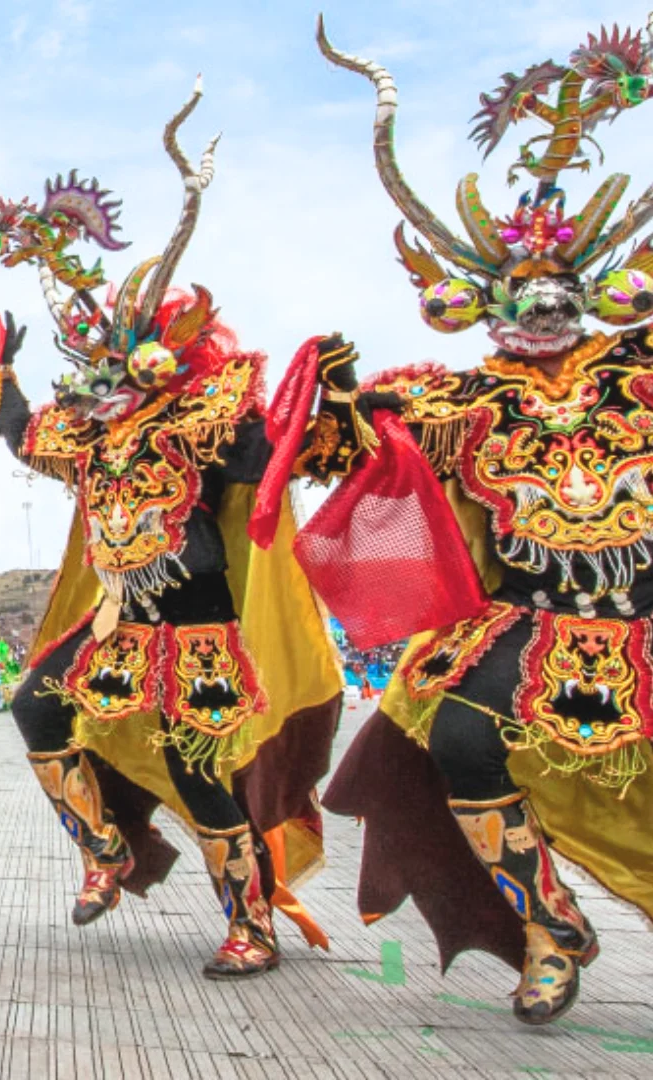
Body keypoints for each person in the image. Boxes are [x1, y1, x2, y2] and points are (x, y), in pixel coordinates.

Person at [0, 81, 342, 979]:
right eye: (94, 365)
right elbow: (26, 437)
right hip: (117, 627)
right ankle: (104, 848)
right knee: (34, 705)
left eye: (122, 363)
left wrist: (314, 396)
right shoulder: (90, 442)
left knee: (199, 773)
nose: (104, 380)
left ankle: (251, 924)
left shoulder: (205, 426)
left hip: (201, 631)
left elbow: (272, 459)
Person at [284, 18, 653, 1026]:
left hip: (643, 618)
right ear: (482, 300)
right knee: (461, 739)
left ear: (594, 291)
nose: (543, 302)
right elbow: (344, 457)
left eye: (560, 288)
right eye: (521, 290)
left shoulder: (639, 373)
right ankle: (548, 927)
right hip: (527, 621)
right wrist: (340, 395)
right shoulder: (461, 400)